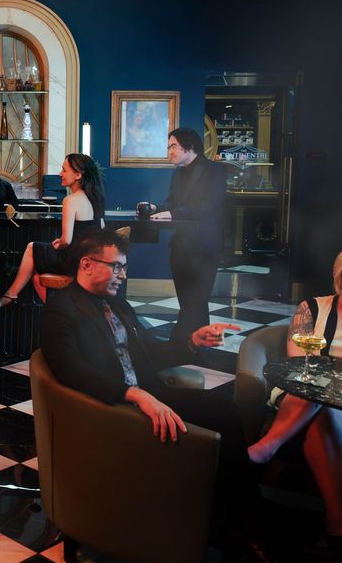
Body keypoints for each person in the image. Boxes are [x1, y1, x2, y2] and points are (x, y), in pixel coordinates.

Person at [40, 229, 265, 556]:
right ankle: (241, 527)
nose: (122, 275)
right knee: (222, 425)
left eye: (124, 268)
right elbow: (71, 371)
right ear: (87, 265)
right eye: (116, 267)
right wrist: (135, 395)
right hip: (114, 413)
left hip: (151, 397)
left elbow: (148, 352)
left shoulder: (118, 305)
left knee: (222, 409)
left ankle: (234, 520)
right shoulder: (61, 310)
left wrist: (192, 342)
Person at [247, 251, 342, 546]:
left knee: (323, 408)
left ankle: (265, 448)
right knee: (316, 396)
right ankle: (337, 527)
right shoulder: (312, 307)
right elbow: (298, 361)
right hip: (306, 389)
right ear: (335, 277)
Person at [145, 127, 227, 344]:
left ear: (189, 146)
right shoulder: (178, 173)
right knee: (188, 301)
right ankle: (194, 344)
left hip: (204, 247)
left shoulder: (214, 171)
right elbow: (173, 202)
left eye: (173, 146)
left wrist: (171, 212)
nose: (169, 151)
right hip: (181, 246)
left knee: (197, 300)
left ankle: (183, 343)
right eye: (169, 147)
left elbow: (208, 205)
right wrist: (155, 208)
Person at [0, 153, 104, 306]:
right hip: (87, 260)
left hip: (72, 261)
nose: (60, 174)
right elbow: (98, 232)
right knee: (36, 278)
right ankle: (60, 312)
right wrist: (61, 242)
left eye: (64, 170)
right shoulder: (96, 199)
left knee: (32, 247)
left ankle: (11, 294)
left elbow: (67, 240)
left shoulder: (70, 201)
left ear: (78, 175)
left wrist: (59, 244)